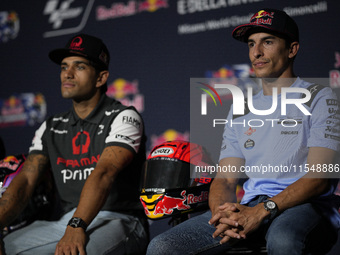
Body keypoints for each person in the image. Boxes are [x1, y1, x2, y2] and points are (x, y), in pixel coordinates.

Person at [146, 8, 340, 255]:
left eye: (267, 42)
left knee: (283, 241)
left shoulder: (321, 97)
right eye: (251, 44)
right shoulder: (241, 108)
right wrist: (222, 214)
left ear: (292, 49)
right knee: (162, 247)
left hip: (306, 206)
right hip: (250, 205)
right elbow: (225, 179)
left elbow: (319, 178)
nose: (256, 53)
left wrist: (263, 210)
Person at [0, 34, 149, 255]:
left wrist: (76, 226)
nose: (67, 74)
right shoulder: (50, 126)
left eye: (79, 67)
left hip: (120, 219)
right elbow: (26, 181)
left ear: (100, 78)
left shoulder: (124, 117)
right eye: (64, 67)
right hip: (64, 222)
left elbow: (104, 173)